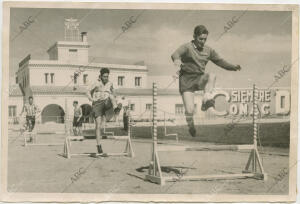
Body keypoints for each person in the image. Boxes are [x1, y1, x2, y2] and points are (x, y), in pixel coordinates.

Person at [171, 25, 241, 137]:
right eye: (200, 39)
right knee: (189, 110)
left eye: (205, 39)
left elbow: (220, 61)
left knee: (212, 75)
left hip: (199, 78)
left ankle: (206, 99)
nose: (202, 42)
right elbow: (175, 54)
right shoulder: (187, 47)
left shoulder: (208, 50)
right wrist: (177, 60)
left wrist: (233, 67)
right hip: (186, 80)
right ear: (194, 36)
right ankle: (191, 125)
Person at [86, 68, 122, 157]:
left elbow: (114, 92)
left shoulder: (110, 83)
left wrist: (116, 98)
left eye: (107, 76)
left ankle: (116, 109)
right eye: (104, 76)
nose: (106, 78)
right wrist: (92, 99)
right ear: (101, 76)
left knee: (110, 95)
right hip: (97, 104)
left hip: (106, 103)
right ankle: (98, 145)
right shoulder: (96, 83)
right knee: (98, 125)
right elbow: (87, 91)